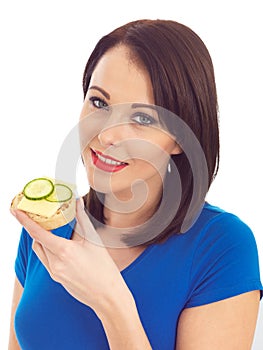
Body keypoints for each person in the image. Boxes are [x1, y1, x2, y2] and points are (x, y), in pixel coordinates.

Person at [9, 19, 262, 350]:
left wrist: (111, 303)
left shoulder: (221, 247)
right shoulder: (47, 226)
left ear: (181, 139)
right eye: (99, 102)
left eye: (142, 118)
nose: (107, 134)